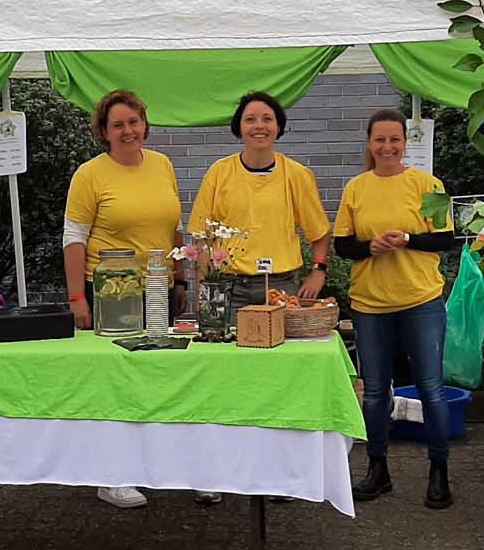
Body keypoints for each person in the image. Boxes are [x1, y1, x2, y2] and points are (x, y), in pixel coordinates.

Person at [63, 89, 190, 509]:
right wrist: (77, 298)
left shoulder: (163, 165)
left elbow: (173, 229)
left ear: (144, 124)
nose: (127, 131)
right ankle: (111, 475)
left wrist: (180, 279)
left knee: (164, 382)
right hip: (111, 297)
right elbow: (74, 239)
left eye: (133, 122)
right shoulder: (90, 174)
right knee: (115, 385)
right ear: (104, 131)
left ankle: (172, 469)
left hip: (159, 291)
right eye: (117, 124)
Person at [333, 108, 456, 509]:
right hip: (370, 304)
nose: (387, 146)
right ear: (369, 144)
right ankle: (377, 469)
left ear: (405, 143)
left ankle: (439, 472)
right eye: (379, 140)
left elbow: (445, 239)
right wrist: (371, 247)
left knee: (431, 389)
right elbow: (342, 246)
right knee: (373, 393)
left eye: (394, 139)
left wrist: (406, 239)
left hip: (421, 300)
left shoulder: (428, 184)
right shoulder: (356, 188)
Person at [187, 91, 332, 310]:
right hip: (229, 286)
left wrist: (318, 271)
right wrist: (204, 288)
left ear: (278, 127)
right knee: (225, 344)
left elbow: (319, 232)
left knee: (283, 344)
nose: (259, 126)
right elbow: (202, 238)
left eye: (267, 119)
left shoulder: (298, 175)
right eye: (250, 120)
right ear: (239, 129)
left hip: (281, 285)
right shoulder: (218, 173)